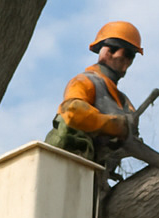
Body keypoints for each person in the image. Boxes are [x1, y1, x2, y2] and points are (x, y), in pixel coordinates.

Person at [46, 21, 143, 164]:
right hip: (68, 163)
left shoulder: (124, 102)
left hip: (98, 172)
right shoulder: (85, 81)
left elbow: (131, 137)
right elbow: (73, 112)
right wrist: (113, 124)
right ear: (107, 51)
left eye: (132, 56)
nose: (127, 61)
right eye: (127, 53)